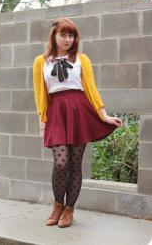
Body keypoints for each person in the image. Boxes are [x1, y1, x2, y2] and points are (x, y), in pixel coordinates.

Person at [33, 17, 123, 228]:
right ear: (54, 36)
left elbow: (91, 89)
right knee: (61, 162)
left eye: (71, 35)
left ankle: (69, 210)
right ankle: (57, 205)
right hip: (56, 112)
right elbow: (40, 95)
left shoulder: (82, 59)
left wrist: (104, 115)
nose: (67, 39)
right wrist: (42, 122)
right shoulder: (41, 61)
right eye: (63, 34)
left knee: (74, 164)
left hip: (78, 111)